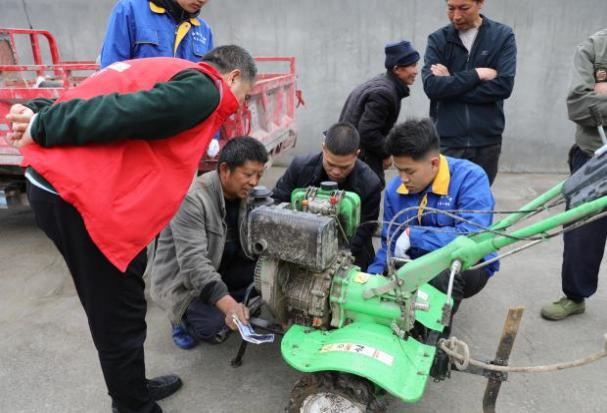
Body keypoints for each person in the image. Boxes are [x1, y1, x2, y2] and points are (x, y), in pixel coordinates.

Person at [4, 45, 256, 413]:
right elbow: (123, 112)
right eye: (245, 96)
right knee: (116, 315)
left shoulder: (167, 71)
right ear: (233, 76)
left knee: (126, 300)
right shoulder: (205, 87)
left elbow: (95, 94)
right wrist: (43, 124)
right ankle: (132, 406)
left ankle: (133, 387)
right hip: (78, 198)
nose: (241, 105)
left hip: (78, 193)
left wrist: (41, 109)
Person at [367, 118, 499, 314]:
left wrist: (414, 236)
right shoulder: (395, 190)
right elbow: (389, 243)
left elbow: (473, 235)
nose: (403, 179)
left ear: (434, 163)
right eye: (398, 170)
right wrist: (372, 278)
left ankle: (437, 329)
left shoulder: (470, 178)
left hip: (466, 263)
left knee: (441, 277)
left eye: (409, 171)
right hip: (414, 262)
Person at [151, 137, 268, 349]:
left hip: (222, 264)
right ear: (225, 170)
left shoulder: (246, 194)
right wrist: (230, 306)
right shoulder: (192, 199)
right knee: (215, 327)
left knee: (267, 279)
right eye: (248, 174)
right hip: (184, 282)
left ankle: (229, 298)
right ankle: (181, 320)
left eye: (259, 175)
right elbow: (193, 264)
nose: (254, 182)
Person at [541, 29, 607, 321]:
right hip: (593, 156)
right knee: (581, 233)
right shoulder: (594, 47)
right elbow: (578, 105)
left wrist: (601, 94)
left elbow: (593, 103)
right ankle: (575, 296)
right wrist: (592, 98)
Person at [422, 0, 516, 185]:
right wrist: (477, 74)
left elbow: (503, 86)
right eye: (451, 8)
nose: (456, 16)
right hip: (447, 141)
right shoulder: (438, 39)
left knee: (478, 200)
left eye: (464, 8)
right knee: (444, 198)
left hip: (486, 142)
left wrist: (451, 82)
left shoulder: (501, 36)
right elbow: (432, 87)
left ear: (480, 3)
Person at [272, 122, 382, 269]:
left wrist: (333, 258)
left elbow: (363, 232)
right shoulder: (299, 168)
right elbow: (276, 204)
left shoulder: (370, 183)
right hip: (300, 244)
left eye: (344, 167)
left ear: (356, 155)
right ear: (323, 148)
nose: (336, 172)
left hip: (349, 252)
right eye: (330, 164)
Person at [339, 40, 420, 186]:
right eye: (412, 66)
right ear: (397, 69)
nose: (416, 71)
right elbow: (368, 133)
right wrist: (386, 153)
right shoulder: (384, 94)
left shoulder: (383, 84)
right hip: (361, 162)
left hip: (354, 156)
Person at [100, 0, 213, 68]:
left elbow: (208, 83)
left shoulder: (204, 30)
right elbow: (111, 70)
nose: (202, 0)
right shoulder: (129, 10)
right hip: (137, 101)